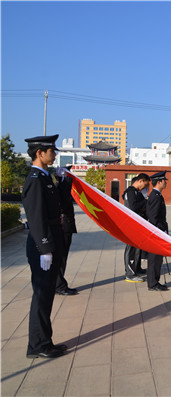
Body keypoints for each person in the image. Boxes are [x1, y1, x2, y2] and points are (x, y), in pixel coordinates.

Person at [22, 134, 68, 358]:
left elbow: (58, 203)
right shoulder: (34, 179)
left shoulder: (45, 177)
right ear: (39, 153)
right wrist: (44, 248)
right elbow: (36, 217)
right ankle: (38, 346)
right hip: (43, 243)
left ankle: (45, 341)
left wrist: (64, 181)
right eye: (52, 150)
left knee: (47, 295)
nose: (55, 153)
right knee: (41, 295)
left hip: (51, 239)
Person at [54, 165, 78, 296]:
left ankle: (59, 283)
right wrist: (67, 182)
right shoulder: (61, 188)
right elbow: (63, 205)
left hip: (66, 225)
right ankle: (59, 285)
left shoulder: (63, 187)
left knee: (62, 257)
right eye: (68, 174)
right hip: (63, 226)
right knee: (61, 257)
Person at [122, 173, 150, 282]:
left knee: (138, 247)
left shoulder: (137, 192)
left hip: (138, 223)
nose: (145, 187)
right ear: (140, 181)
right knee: (131, 248)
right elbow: (133, 207)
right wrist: (145, 202)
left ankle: (136, 268)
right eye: (145, 184)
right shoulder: (130, 191)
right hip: (131, 224)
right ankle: (130, 273)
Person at [146, 171, 169, 291]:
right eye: (164, 181)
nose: (166, 183)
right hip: (156, 232)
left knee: (157, 259)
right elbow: (153, 217)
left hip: (158, 231)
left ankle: (155, 281)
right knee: (154, 259)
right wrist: (159, 232)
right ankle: (153, 283)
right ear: (159, 182)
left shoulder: (157, 195)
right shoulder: (155, 196)